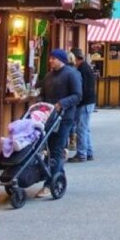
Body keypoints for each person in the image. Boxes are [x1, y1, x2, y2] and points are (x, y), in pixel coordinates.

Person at [41, 48, 82, 176]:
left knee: (57, 148)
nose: (50, 61)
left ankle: (51, 181)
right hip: (49, 117)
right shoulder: (48, 76)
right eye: (50, 58)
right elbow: (43, 94)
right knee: (50, 147)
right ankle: (58, 174)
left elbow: (77, 95)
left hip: (65, 117)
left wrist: (62, 103)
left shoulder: (71, 74)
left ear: (61, 60)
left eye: (54, 58)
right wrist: (40, 103)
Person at [71, 49, 96, 162]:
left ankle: (82, 154)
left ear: (76, 59)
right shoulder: (85, 68)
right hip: (89, 101)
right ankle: (89, 152)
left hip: (84, 102)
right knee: (85, 128)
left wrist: (77, 101)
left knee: (81, 128)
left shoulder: (82, 70)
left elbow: (83, 89)